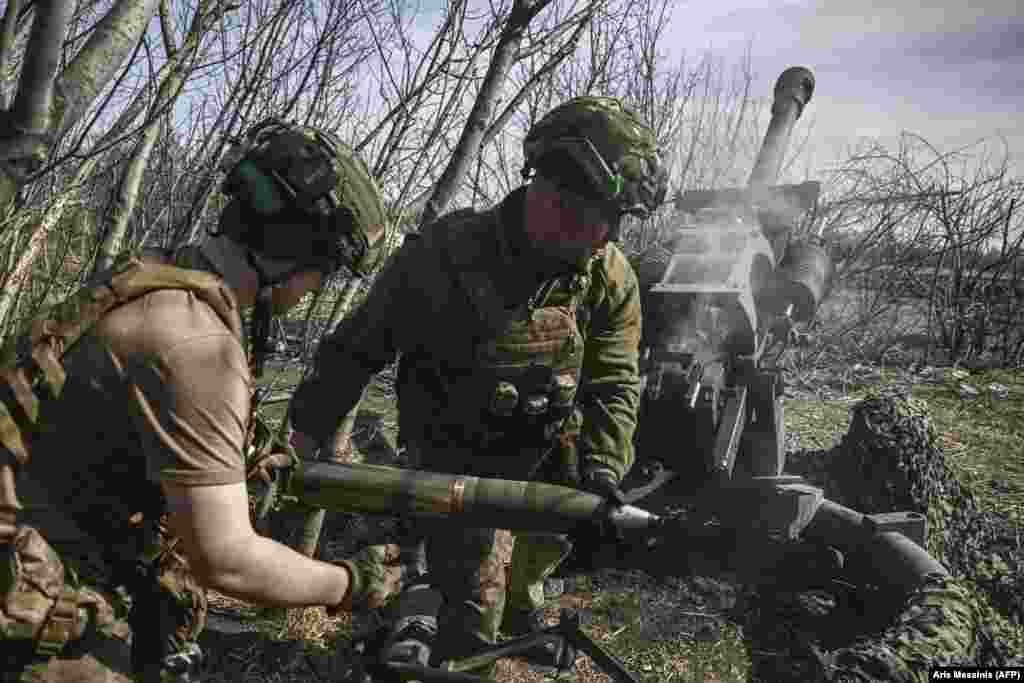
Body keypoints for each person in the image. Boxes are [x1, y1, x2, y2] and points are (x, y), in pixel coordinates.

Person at [1, 119, 404, 682]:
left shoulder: (147, 275)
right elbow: (226, 560)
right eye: (323, 274)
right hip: (26, 588)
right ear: (296, 255)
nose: (315, 290)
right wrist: (348, 582)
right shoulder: (199, 345)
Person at [289, 97, 668, 673]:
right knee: (472, 621)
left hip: (550, 452)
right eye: (599, 216)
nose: (606, 235)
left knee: (538, 558)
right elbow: (357, 346)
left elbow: (616, 382)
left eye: (617, 221)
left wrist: (604, 470)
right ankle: (456, 633)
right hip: (457, 459)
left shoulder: (608, 274)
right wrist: (309, 430)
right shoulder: (444, 256)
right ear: (550, 191)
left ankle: (519, 604)